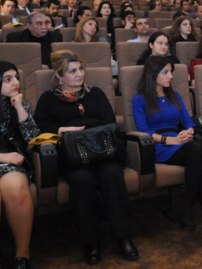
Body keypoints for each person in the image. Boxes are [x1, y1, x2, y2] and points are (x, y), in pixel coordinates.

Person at [33, 50, 138, 264]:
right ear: (60, 76)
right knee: (82, 181)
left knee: (112, 176)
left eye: (81, 69)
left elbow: (109, 121)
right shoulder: (48, 99)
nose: (79, 74)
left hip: (102, 151)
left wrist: (83, 129)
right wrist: (64, 129)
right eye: (72, 71)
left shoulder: (95, 93)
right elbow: (40, 128)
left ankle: (123, 236)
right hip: (72, 156)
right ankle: (92, 241)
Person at [132, 56, 202, 240]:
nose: (171, 76)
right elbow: (144, 131)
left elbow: (188, 121)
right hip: (158, 144)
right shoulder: (139, 100)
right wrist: (170, 141)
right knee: (196, 154)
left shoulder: (175, 95)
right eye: (165, 72)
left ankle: (188, 208)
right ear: (152, 74)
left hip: (181, 140)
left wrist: (189, 132)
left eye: (171, 71)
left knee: (195, 148)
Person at [0, 61, 39, 269]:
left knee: (15, 188)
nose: (15, 83)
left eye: (16, 77)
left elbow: (34, 140)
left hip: (12, 161)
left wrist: (20, 109)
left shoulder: (19, 102)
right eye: (8, 79)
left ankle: (22, 256)